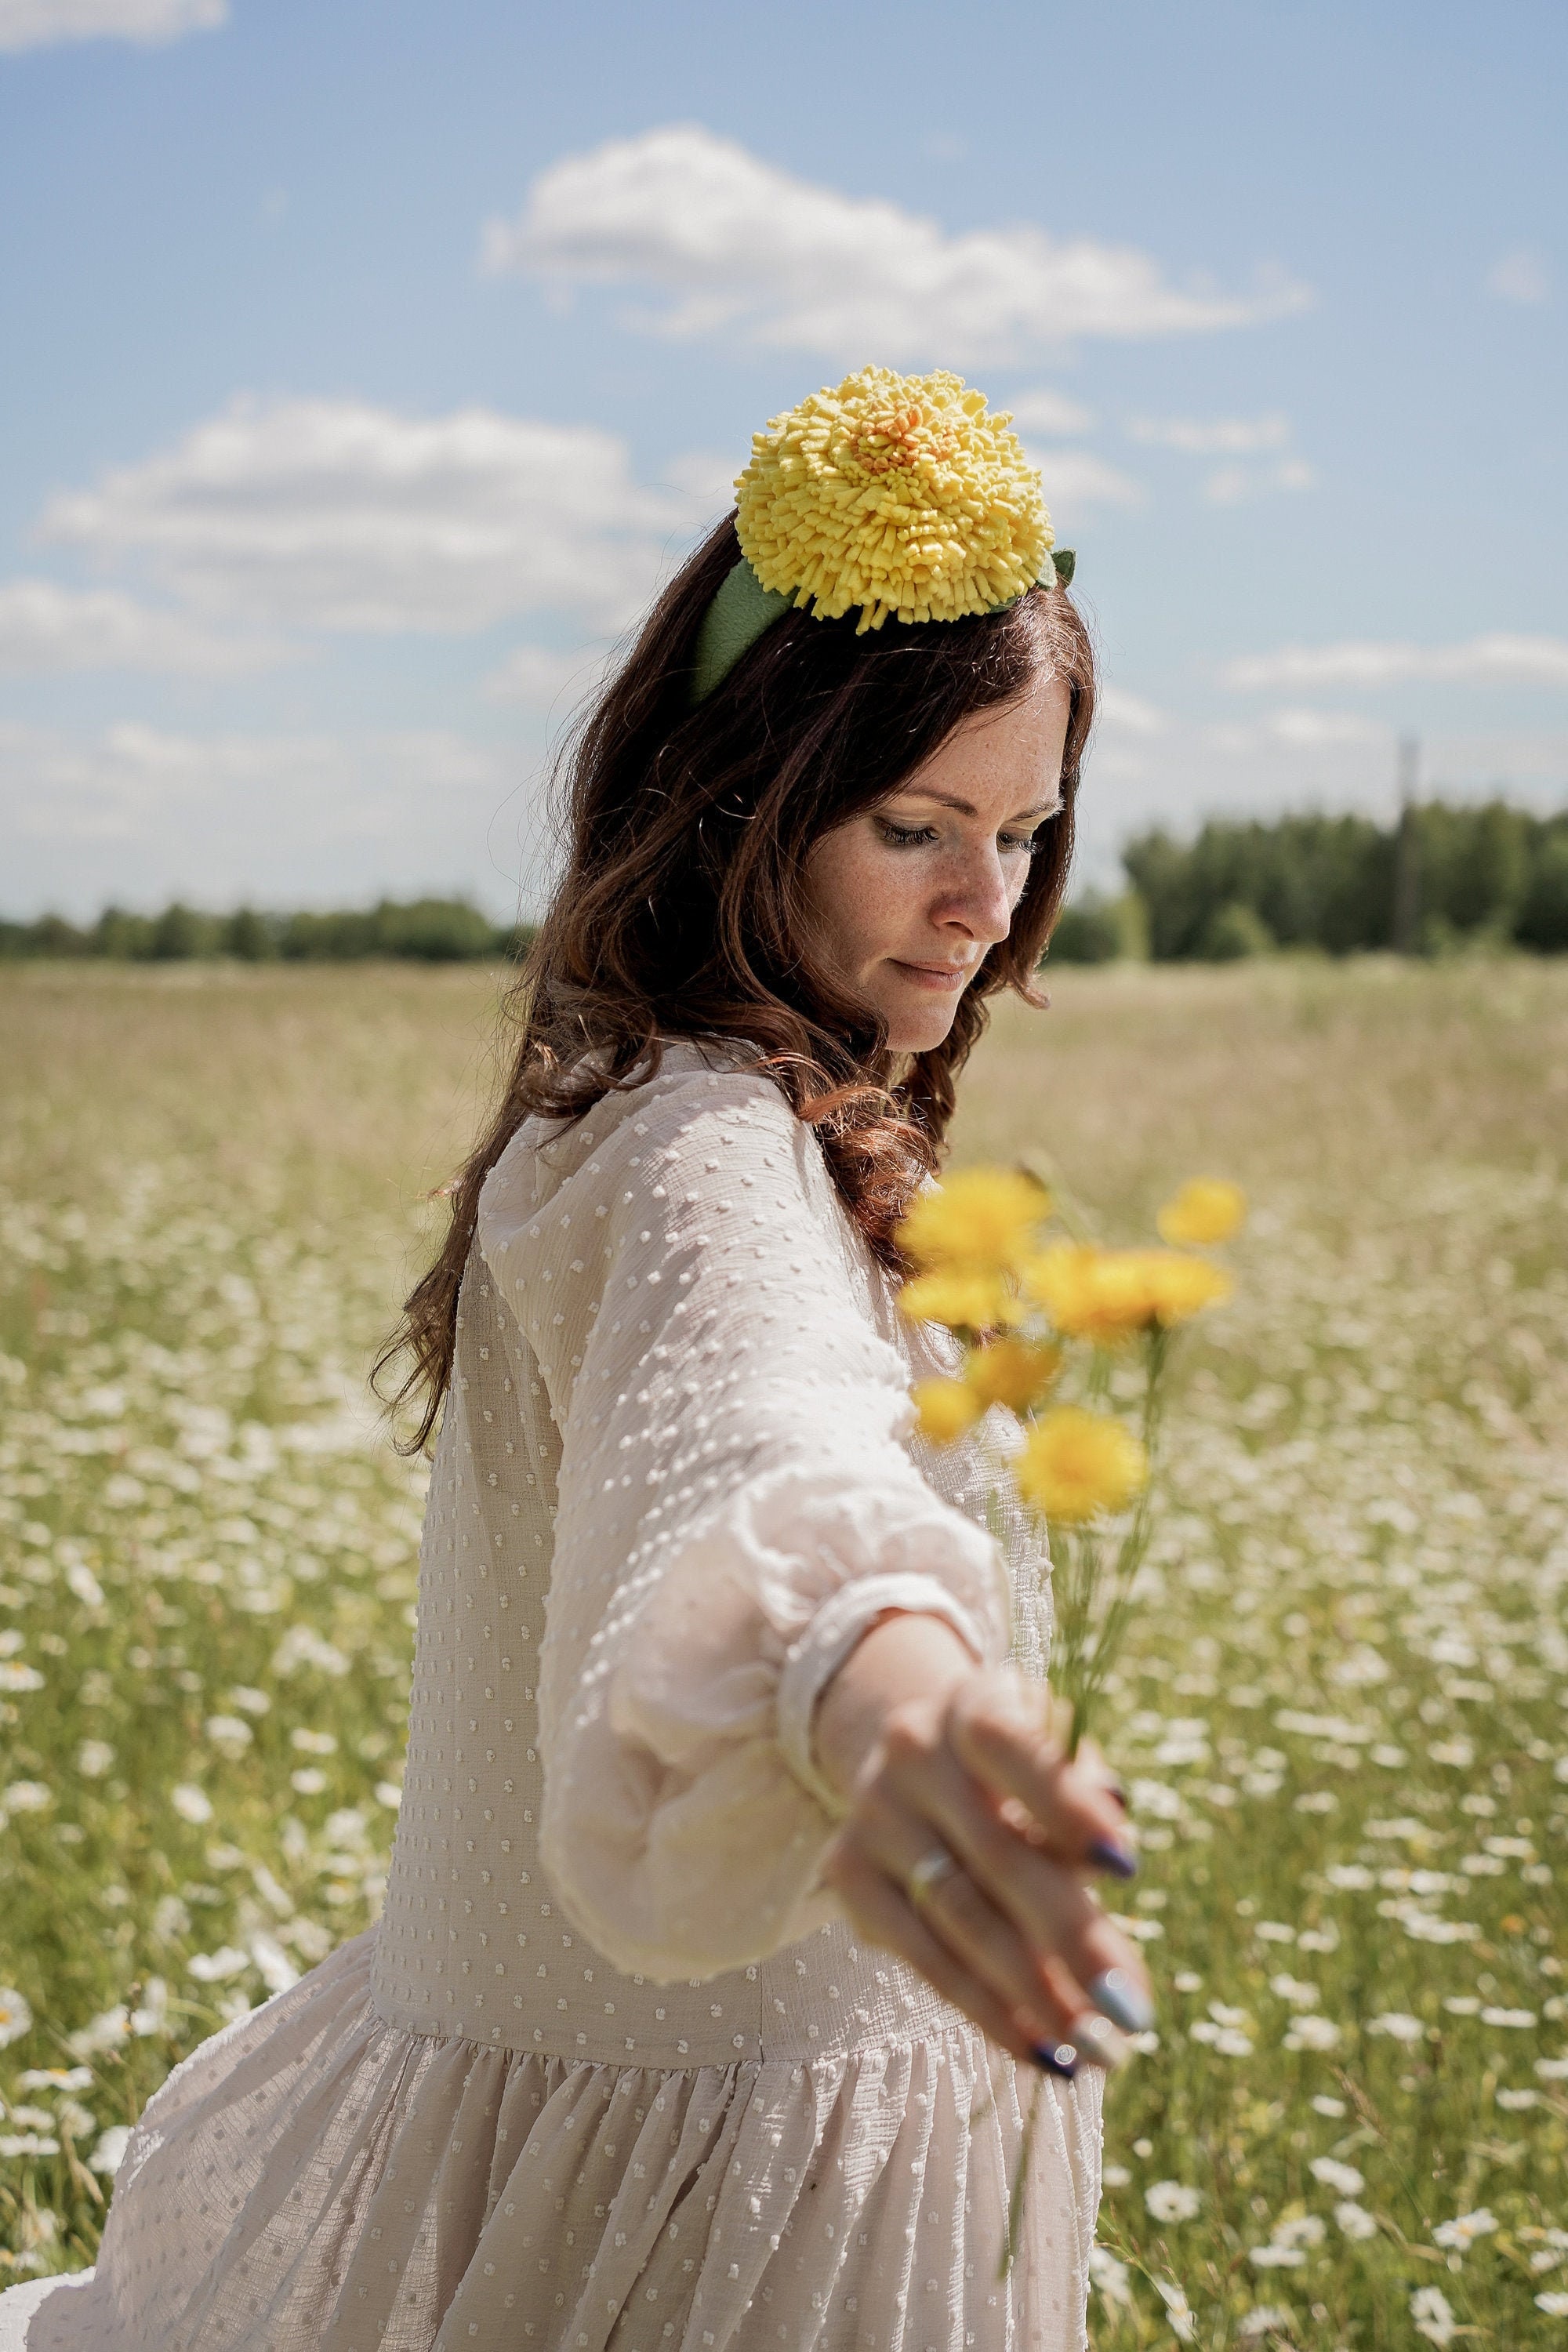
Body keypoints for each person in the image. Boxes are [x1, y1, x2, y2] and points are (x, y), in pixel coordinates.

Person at [1, 366, 1152, 2352]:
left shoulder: (706, 1103)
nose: (984, 904)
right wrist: (870, 1674)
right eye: (915, 825)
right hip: (697, 2206)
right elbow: (753, 1430)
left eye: (1026, 830)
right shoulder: (690, 1142)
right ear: (739, 794)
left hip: (751, 2133)